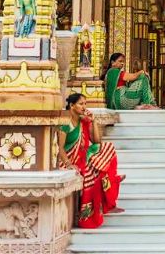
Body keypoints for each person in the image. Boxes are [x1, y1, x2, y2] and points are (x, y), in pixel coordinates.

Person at [60, 92, 123, 229]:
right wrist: (69, 164)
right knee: (93, 173)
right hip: (70, 159)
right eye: (81, 104)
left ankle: (111, 184)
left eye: (85, 104)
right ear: (71, 105)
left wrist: (94, 121)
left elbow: (96, 141)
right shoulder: (65, 123)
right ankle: (88, 215)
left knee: (108, 148)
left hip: (84, 156)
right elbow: (59, 149)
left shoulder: (83, 121)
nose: (84, 107)